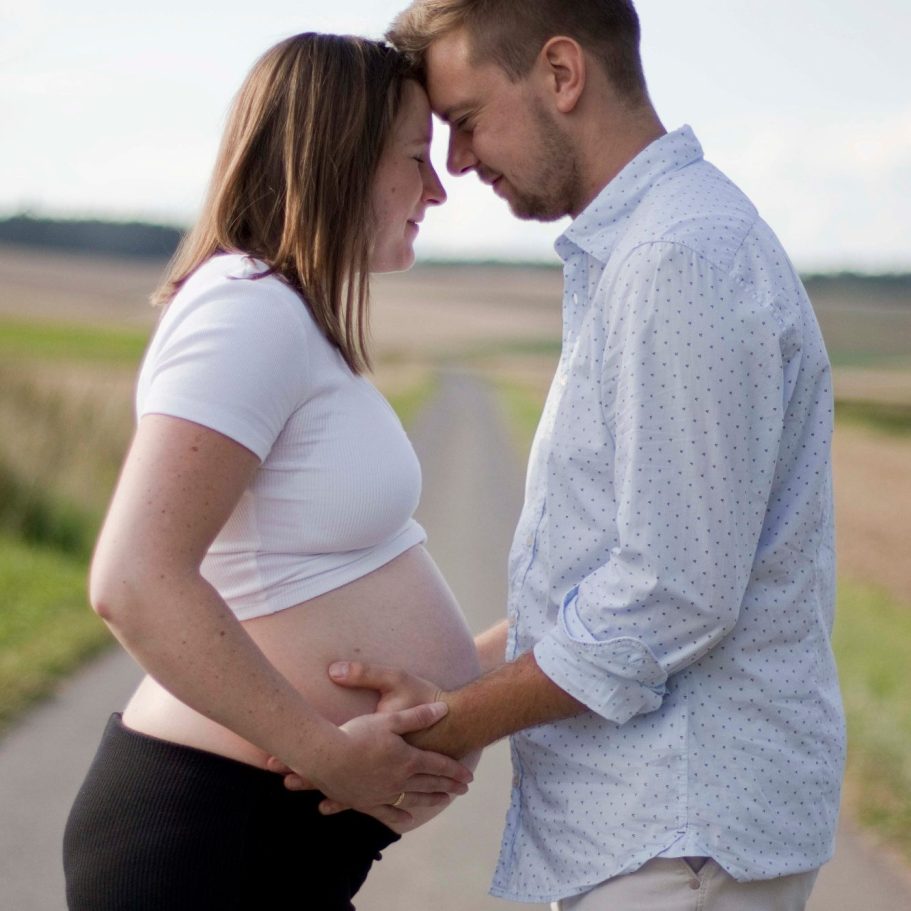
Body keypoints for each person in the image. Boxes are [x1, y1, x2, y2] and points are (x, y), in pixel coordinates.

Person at [289, 2, 846, 909]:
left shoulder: (676, 258)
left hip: (682, 831)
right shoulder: (638, 249)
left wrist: (439, 724)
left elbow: (670, 594)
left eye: (465, 121)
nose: (456, 163)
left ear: (561, 73)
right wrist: (449, 686)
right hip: (657, 833)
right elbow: (609, 568)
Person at [62, 32, 480, 911]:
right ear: (338, 160)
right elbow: (133, 579)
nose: (438, 189)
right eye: (414, 159)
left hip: (252, 840)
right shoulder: (246, 309)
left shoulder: (288, 318)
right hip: (201, 839)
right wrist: (328, 753)